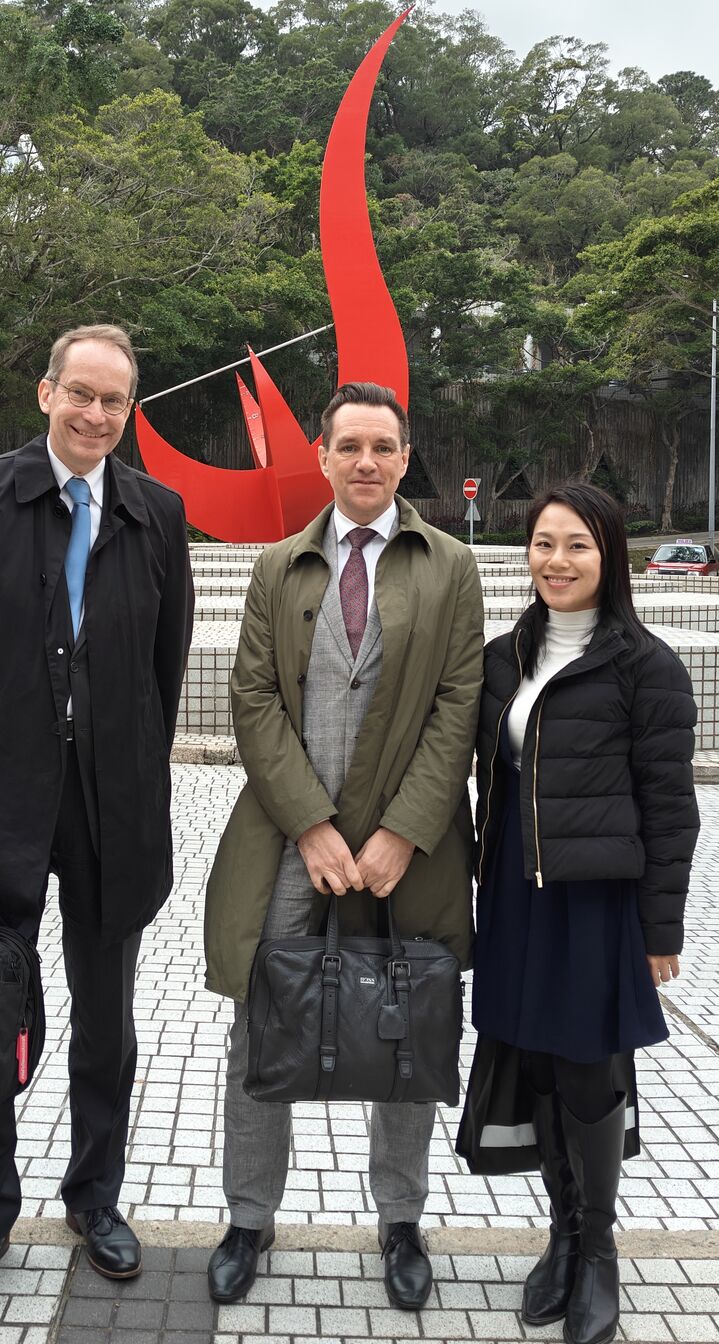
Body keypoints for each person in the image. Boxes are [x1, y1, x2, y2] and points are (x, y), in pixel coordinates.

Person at [0, 323, 194, 1320]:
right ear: (45, 394)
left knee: (105, 1022)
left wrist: (132, 765)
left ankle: (95, 1196)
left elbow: (166, 663)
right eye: (81, 393)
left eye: (115, 401)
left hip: (112, 805)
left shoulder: (156, 511)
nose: (96, 414)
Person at [202, 381, 483, 1313]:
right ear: (321, 456)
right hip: (292, 845)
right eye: (350, 445)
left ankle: (400, 1218)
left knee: (406, 1028)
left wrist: (405, 831)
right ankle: (249, 1217)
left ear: (407, 458)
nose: (367, 462)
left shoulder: (450, 566)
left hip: (412, 853)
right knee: (262, 1025)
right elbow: (253, 701)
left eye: (385, 446)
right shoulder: (278, 567)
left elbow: (458, 706)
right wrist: (313, 825)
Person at [472, 481, 698, 1344]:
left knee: (589, 1077)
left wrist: (660, 929)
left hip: (595, 903)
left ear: (611, 557)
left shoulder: (645, 666)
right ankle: (560, 1236)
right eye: (542, 544)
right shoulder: (505, 656)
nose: (557, 562)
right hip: (515, 899)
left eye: (577, 546)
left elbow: (669, 806)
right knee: (533, 1068)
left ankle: (598, 1250)